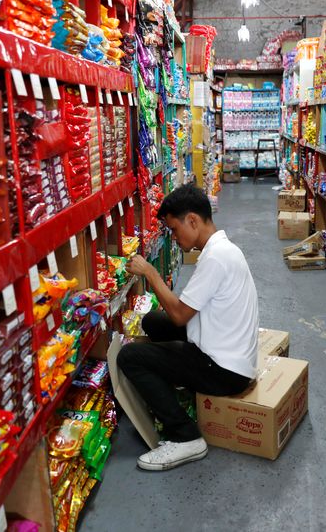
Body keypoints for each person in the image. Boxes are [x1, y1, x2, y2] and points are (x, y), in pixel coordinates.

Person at [118, 183, 259, 471]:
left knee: (129, 357)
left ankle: (186, 437)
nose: (173, 237)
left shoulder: (216, 258)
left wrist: (151, 274)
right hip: (227, 347)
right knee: (153, 321)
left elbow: (181, 315)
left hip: (225, 371)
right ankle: (173, 381)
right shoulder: (221, 249)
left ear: (192, 220)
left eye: (174, 229)